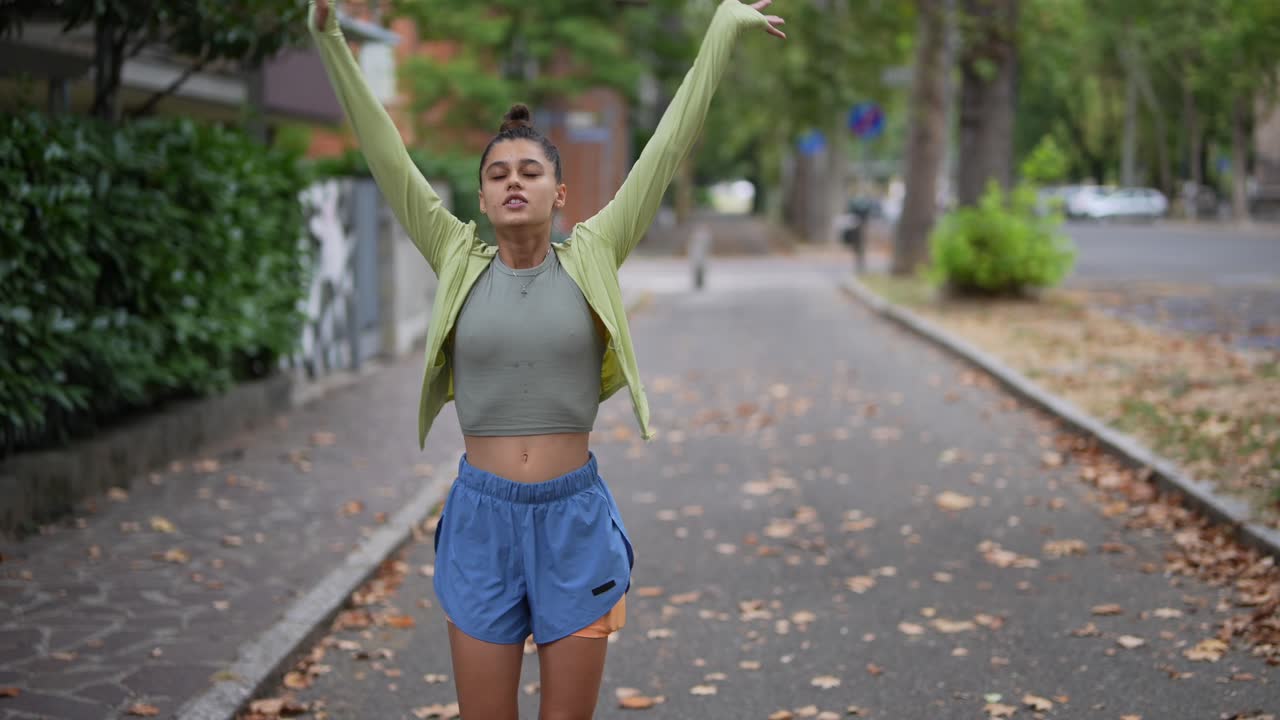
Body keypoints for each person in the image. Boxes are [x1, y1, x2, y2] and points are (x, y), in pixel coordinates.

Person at [308, 0, 786, 716]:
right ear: (480, 197)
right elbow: (386, 152)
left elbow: (668, 145)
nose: (513, 180)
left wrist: (720, 25)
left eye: (530, 171)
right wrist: (331, 37)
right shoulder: (455, 257)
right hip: (480, 520)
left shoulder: (593, 251)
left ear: (559, 194)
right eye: (498, 172)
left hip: (574, 522)